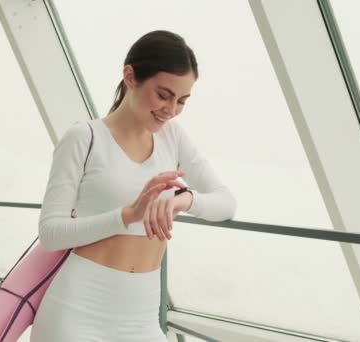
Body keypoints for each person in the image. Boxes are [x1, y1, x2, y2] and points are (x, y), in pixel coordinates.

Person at [30, 30, 237, 342]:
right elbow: (51, 233)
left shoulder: (174, 137)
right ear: (130, 76)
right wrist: (127, 215)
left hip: (142, 314)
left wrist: (184, 199)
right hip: (78, 310)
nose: (171, 109)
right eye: (163, 95)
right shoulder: (84, 138)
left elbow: (226, 204)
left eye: (181, 100)